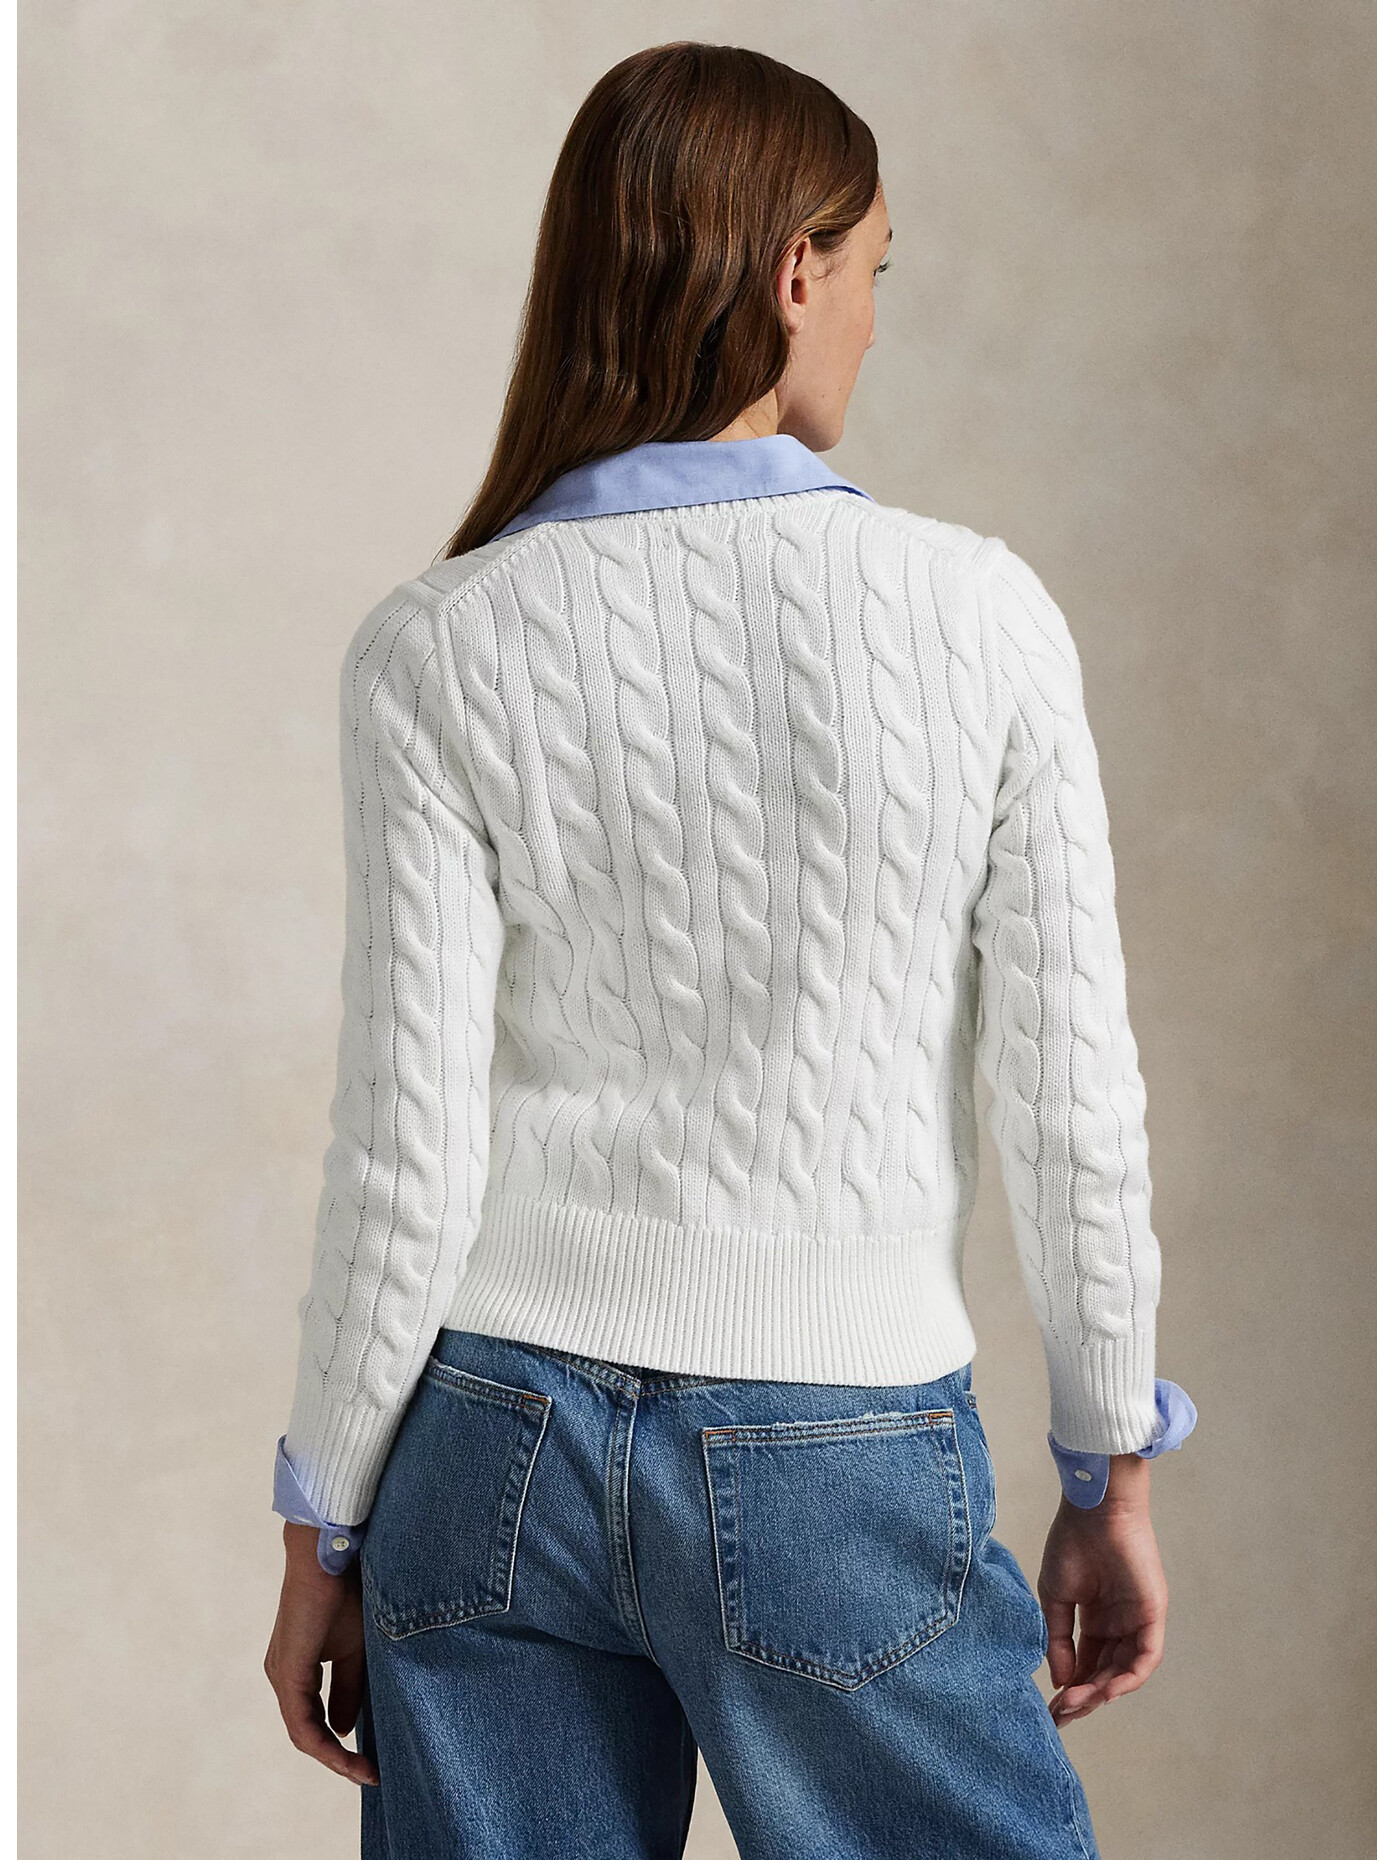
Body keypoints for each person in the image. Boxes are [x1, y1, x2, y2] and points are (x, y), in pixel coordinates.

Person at [263, 40, 1196, 1860]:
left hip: (490, 1447)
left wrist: (326, 1531)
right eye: (873, 269)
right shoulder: (979, 617)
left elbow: (400, 1154)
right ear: (793, 273)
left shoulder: (436, 644)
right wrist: (1109, 1472)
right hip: (842, 1450)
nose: (873, 318)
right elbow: (1073, 1099)